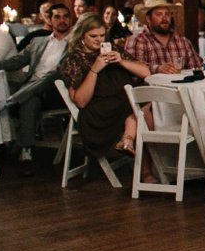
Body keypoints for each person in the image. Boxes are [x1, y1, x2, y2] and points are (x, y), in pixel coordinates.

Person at [0, 2, 74, 176]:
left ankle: (6, 102)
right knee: (30, 100)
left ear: (71, 19)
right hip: (33, 91)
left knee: (54, 73)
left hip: (58, 91)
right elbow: (14, 61)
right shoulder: (38, 41)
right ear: (49, 19)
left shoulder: (76, 43)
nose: (62, 20)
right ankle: (27, 155)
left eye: (65, 16)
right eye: (57, 16)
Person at [59, 13, 155, 170]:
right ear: (81, 35)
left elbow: (146, 72)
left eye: (102, 35)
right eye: (93, 36)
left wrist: (121, 61)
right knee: (142, 111)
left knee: (147, 96)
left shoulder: (112, 49)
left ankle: (130, 142)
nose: (99, 40)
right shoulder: (73, 60)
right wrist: (94, 70)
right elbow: (81, 101)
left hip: (122, 102)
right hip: (99, 111)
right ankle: (146, 171)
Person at [123, 0, 203, 75]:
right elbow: (133, 70)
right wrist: (157, 68)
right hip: (151, 87)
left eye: (167, 14)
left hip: (179, 87)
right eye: (159, 14)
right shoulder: (137, 41)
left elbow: (197, 68)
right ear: (148, 19)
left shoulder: (183, 42)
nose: (164, 18)